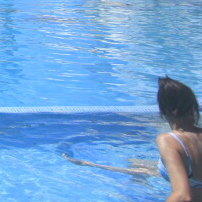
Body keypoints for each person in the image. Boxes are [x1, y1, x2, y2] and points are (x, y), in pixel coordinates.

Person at [64, 77, 202, 200]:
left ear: (165, 111)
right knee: (137, 164)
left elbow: (182, 195)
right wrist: (93, 165)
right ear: (193, 106)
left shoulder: (169, 140)